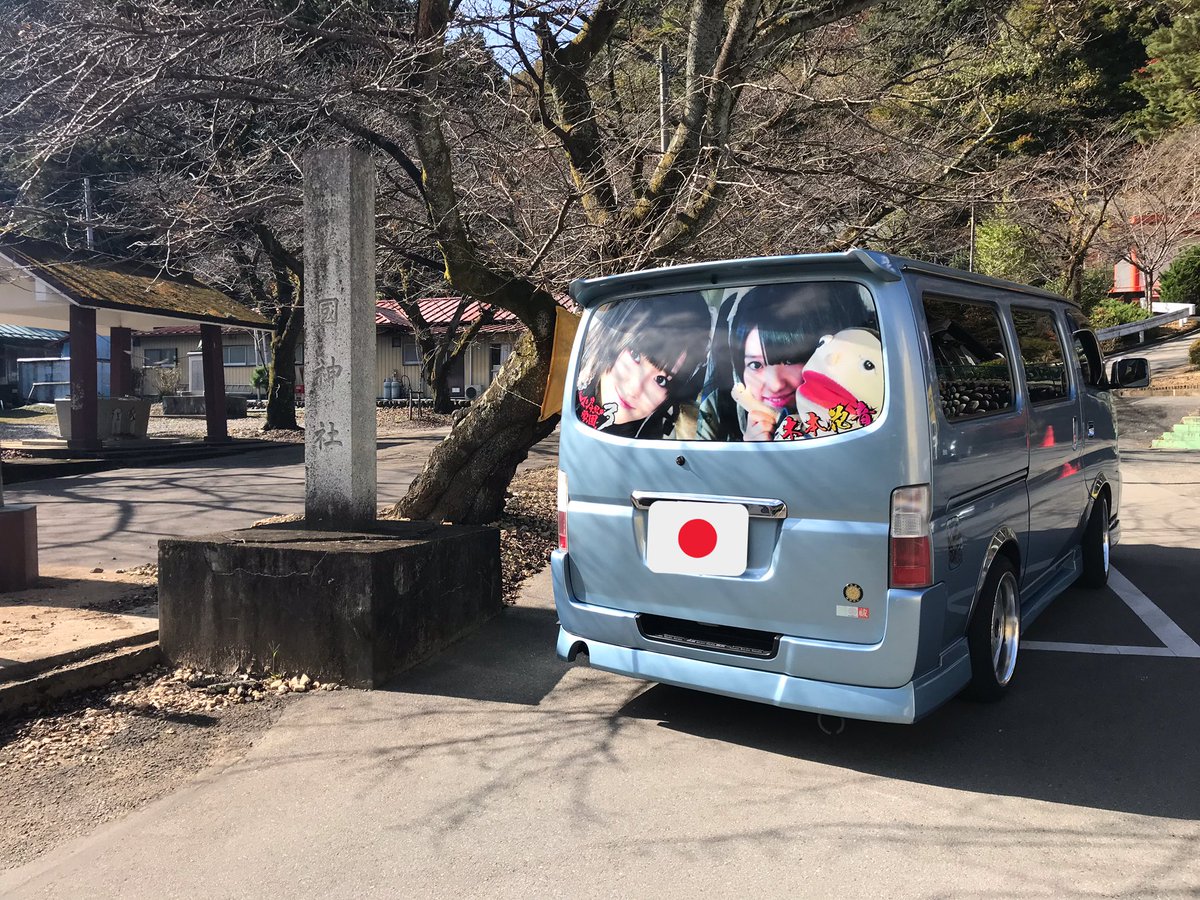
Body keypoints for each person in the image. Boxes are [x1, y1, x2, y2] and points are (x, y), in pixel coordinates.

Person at [697, 282, 865, 441]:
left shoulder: (860, 413)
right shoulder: (719, 408)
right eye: (755, 365)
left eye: (790, 361)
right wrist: (749, 456)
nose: (776, 384)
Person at [575, 293, 712, 439]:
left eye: (661, 380)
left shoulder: (652, 448)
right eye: (635, 356)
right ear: (612, 338)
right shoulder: (571, 383)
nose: (636, 389)